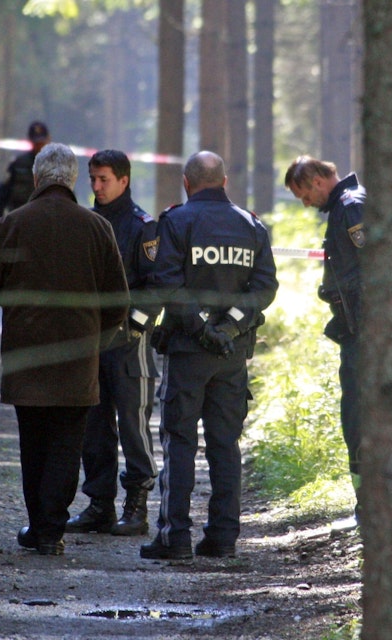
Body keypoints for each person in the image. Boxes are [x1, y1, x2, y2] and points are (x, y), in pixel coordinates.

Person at [0, 142, 129, 556]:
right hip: (78, 361)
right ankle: (51, 530)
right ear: (73, 180)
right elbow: (119, 302)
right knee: (67, 445)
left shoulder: (11, 224)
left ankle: (40, 524)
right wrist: (95, 340)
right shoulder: (98, 228)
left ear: (37, 178)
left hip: (27, 358)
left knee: (34, 443)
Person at [141, 151, 278, 561]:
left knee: (179, 440)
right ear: (225, 181)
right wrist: (230, 327)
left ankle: (175, 538)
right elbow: (264, 287)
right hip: (231, 355)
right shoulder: (251, 225)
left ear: (187, 183)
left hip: (188, 352)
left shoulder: (177, 221)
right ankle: (222, 537)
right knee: (225, 444)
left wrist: (202, 328)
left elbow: (168, 282)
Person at [64, 150, 161, 537]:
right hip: (91, 340)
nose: (97, 186)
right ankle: (99, 503)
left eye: (103, 179)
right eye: (92, 179)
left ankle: (137, 505)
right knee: (94, 426)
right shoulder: (85, 223)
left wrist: (134, 326)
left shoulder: (143, 227)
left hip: (129, 342)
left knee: (133, 423)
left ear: (124, 179)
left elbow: (156, 286)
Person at [284, 156, 365, 527]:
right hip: (356, 333)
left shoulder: (351, 207)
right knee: (354, 418)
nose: (305, 204)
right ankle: (365, 506)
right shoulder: (343, 209)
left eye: (304, 195)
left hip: (367, 337)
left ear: (317, 181)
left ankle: (369, 509)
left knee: (359, 419)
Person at [0, 121, 51, 219]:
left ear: (48, 139)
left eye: (42, 142)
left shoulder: (56, 166)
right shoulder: (17, 165)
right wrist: (2, 224)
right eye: (36, 143)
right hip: (20, 222)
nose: (39, 146)